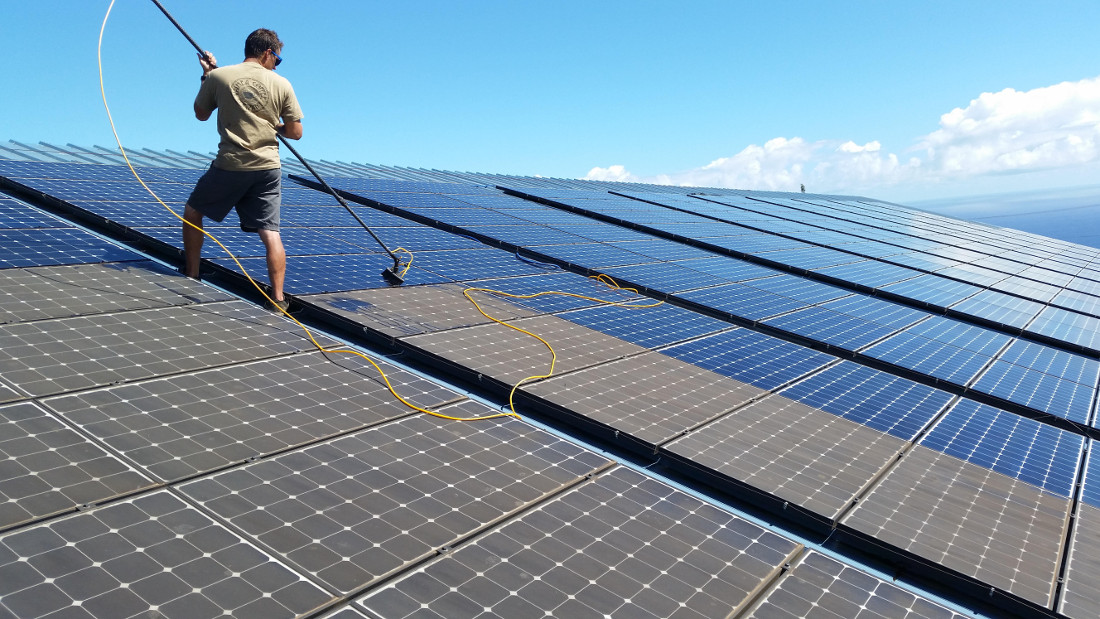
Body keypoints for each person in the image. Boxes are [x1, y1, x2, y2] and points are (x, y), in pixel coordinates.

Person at [182, 28, 304, 312]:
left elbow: (201, 114)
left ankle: (191, 273)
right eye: (277, 58)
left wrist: (207, 75)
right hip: (269, 167)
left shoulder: (219, 76)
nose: (277, 64)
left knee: (192, 212)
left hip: (231, 165)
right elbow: (296, 133)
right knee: (270, 232)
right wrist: (277, 127)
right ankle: (278, 299)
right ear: (267, 53)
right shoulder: (282, 84)